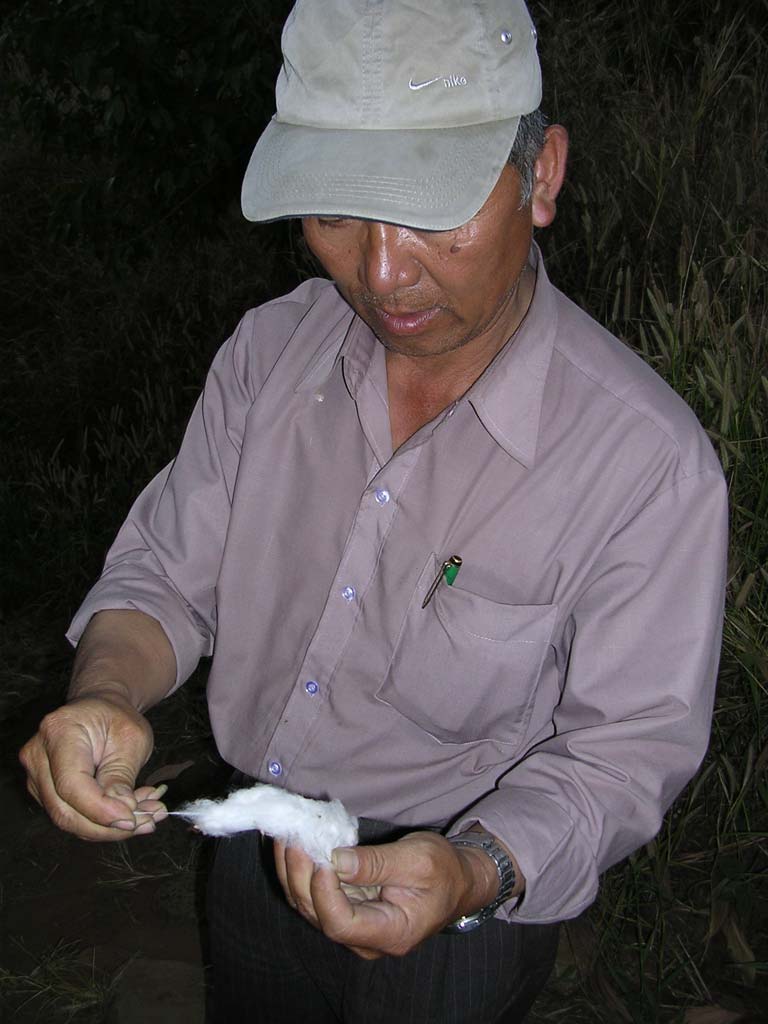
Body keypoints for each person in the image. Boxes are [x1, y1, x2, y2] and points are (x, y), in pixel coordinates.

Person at [20, 1, 729, 1021]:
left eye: (433, 214)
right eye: (339, 211)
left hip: (461, 915)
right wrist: (110, 691)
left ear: (543, 176)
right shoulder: (270, 356)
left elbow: (625, 749)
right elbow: (166, 578)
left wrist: (474, 867)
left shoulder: (645, 463)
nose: (382, 272)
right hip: (252, 856)